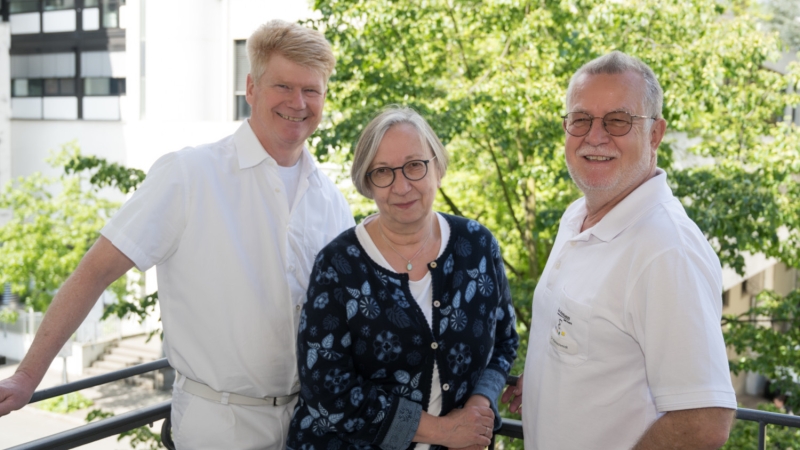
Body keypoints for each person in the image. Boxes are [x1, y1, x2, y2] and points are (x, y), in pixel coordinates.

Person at [0, 20, 354, 449]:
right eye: (283, 86)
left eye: (311, 90)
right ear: (252, 87)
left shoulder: (332, 199)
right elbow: (93, 273)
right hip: (219, 427)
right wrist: (26, 376)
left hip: (310, 426)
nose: (298, 103)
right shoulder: (189, 175)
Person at [501, 51, 737, 449]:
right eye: (581, 119)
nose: (595, 136)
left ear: (655, 133)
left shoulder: (665, 251)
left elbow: (704, 422)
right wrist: (550, 375)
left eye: (618, 120)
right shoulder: (579, 215)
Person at [286, 107, 519, 450]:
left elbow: (504, 341)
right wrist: (444, 432)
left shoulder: (477, 245)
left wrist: (479, 404)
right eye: (383, 171)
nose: (402, 185)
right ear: (367, 183)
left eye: (414, 165)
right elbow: (327, 392)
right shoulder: (338, 265)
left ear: (437, 167)